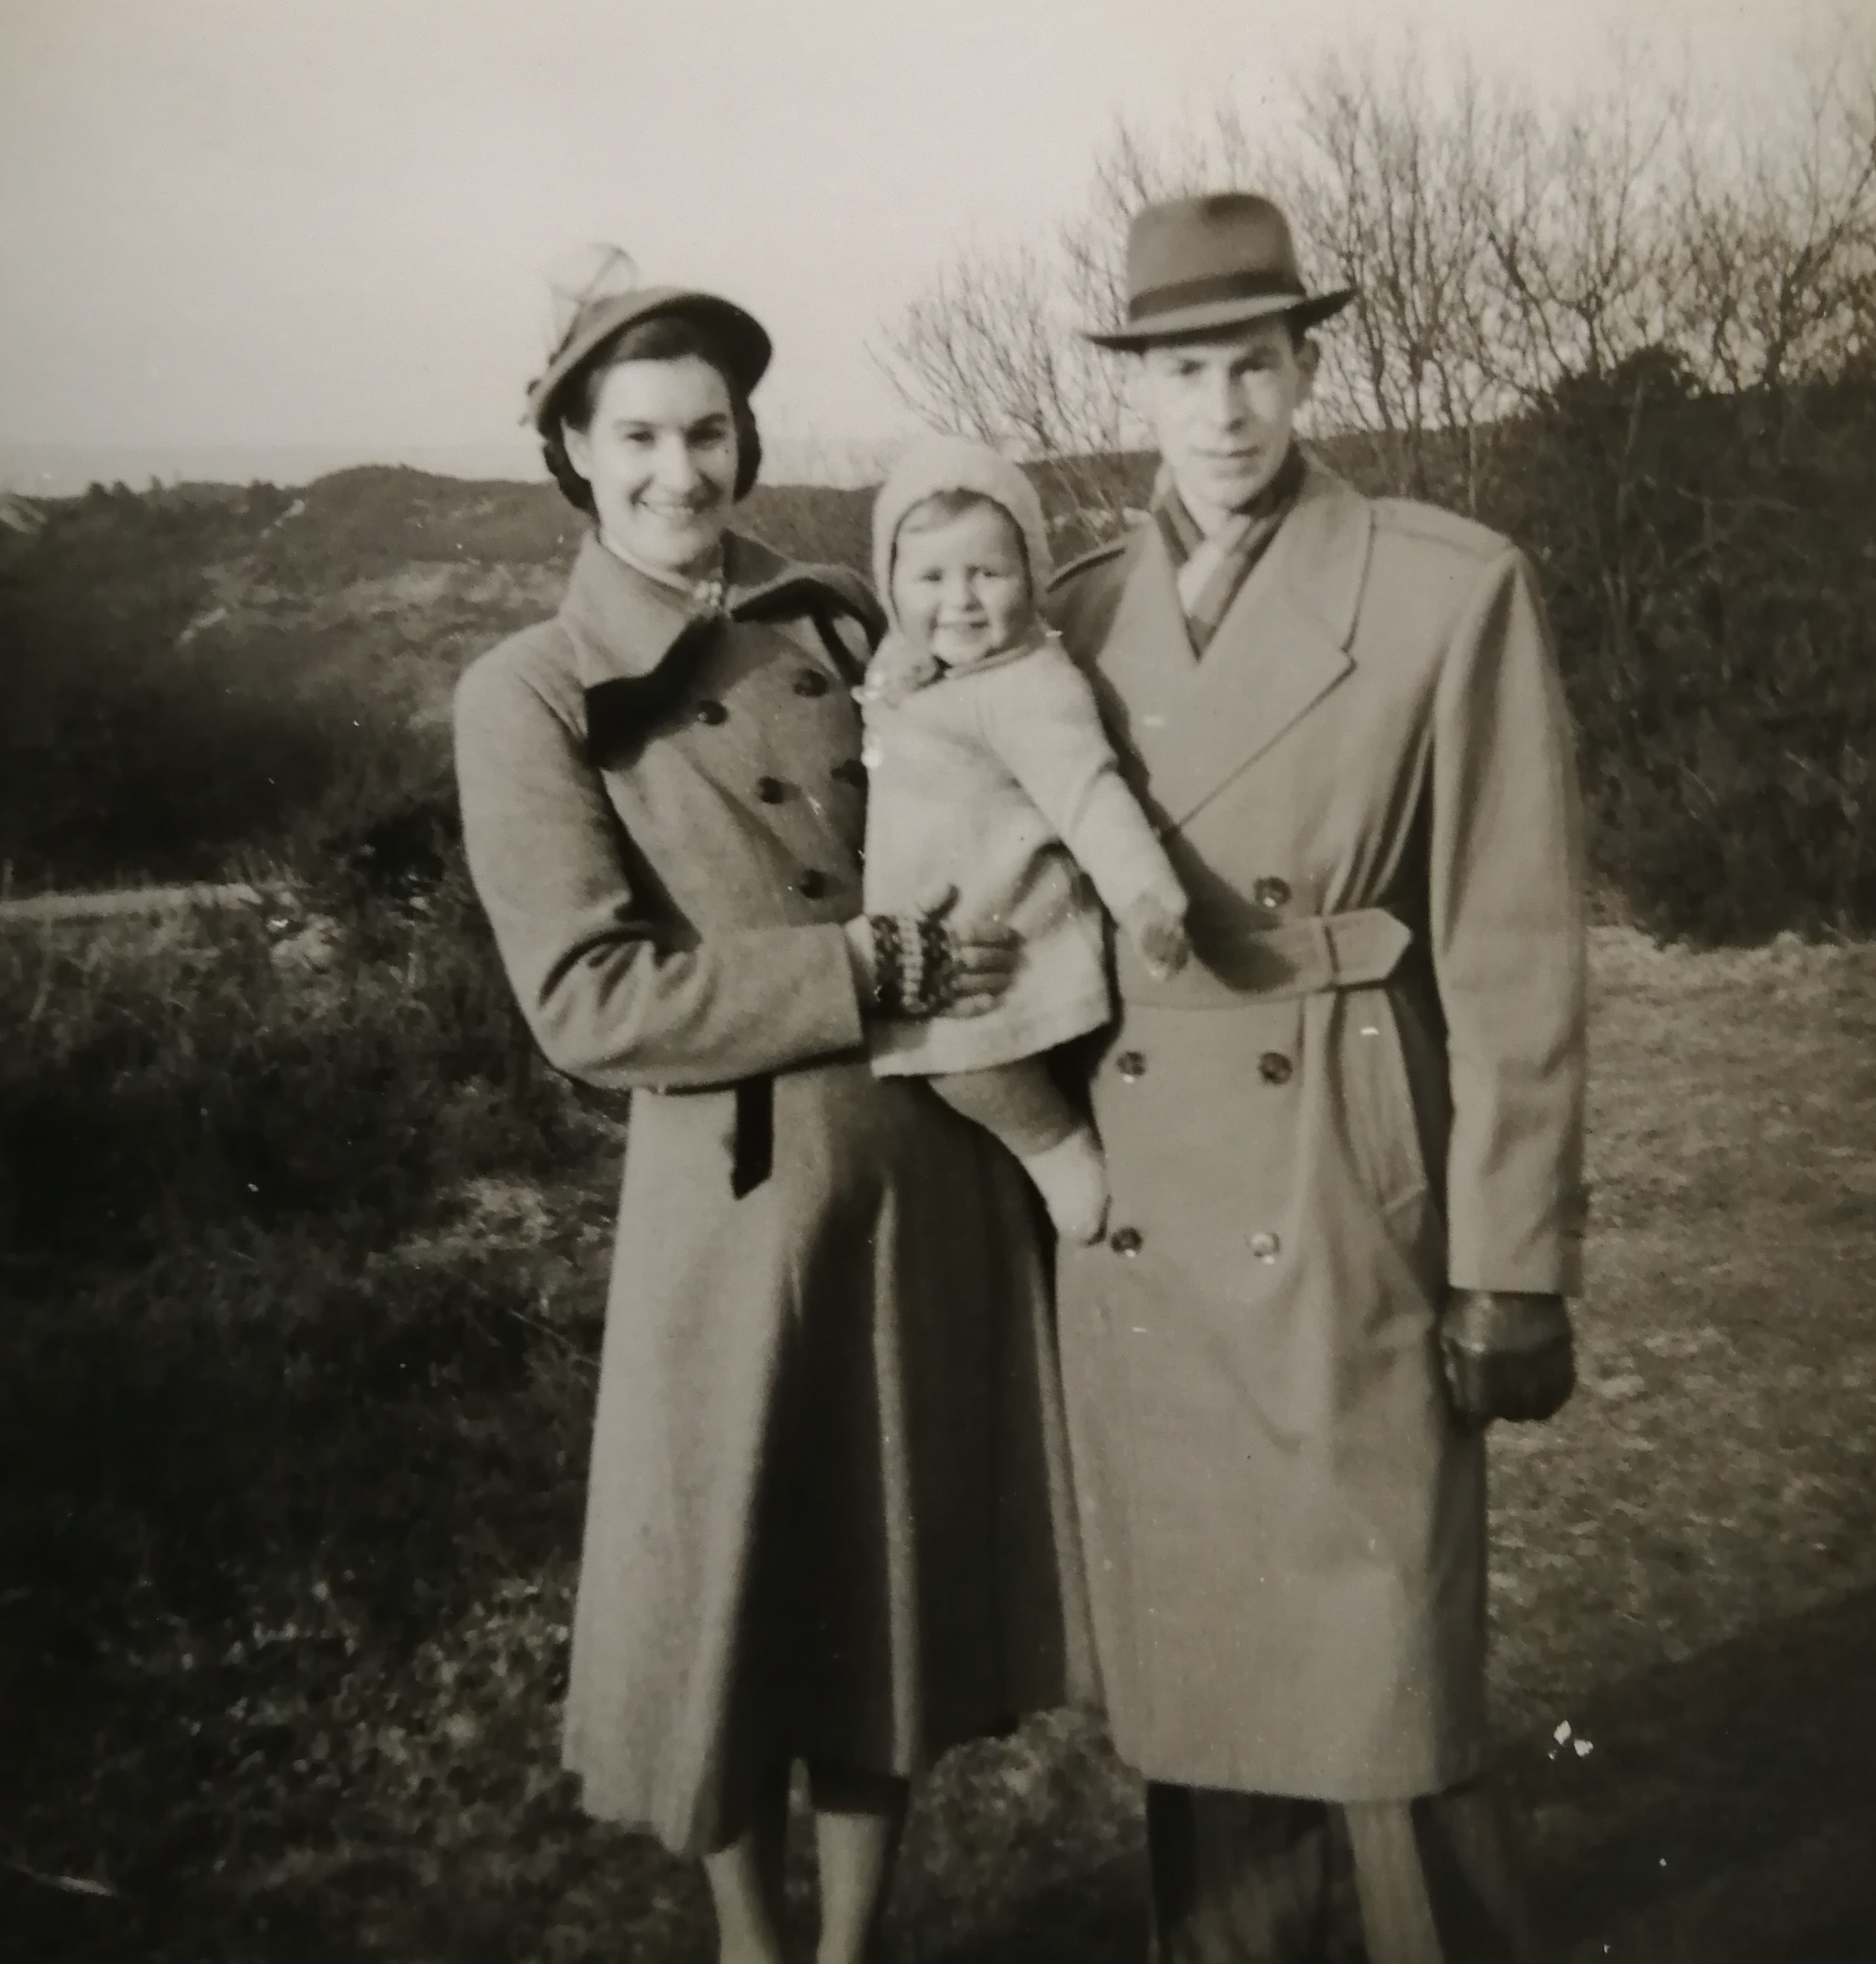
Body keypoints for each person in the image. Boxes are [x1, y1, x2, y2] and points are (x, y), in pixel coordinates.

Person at [453, 246, 1092, 1964]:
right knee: (732, 1599)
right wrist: (855, 976)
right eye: (643, 437)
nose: (684, 473)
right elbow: (590, 1000)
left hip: (928, 1172)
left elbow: (996, 782)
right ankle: (752, 1943)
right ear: (575, 449)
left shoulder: (834, 615)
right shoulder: (524, 691)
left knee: (880, 1600)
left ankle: (857, 1942)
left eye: (713, 433)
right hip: (733, 1210)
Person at [1047, 194, 1587, 1963]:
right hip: (1136, 1199)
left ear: (1303, 367)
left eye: (1252, 364)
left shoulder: (1446, 587)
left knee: (1377, 1655)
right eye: (1184, 371)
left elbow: (1508, 952)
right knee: (1207, 1667)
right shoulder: (1058, 620)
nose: (1220, 409)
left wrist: (1509, 1260)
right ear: (1141, 390)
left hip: (1345, 1174)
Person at [859, 433, 1191, 1245]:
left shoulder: (1028, 687)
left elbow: (1090, 795)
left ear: (1033, 578)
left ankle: (1057, 1148)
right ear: (892, 588)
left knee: (967, 1063)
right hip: (930, 927)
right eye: (931, 579)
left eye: (988, 573)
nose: (961, 602)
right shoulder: (922, 659)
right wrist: (902, 658)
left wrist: (1146, 897)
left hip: (1005, 927)